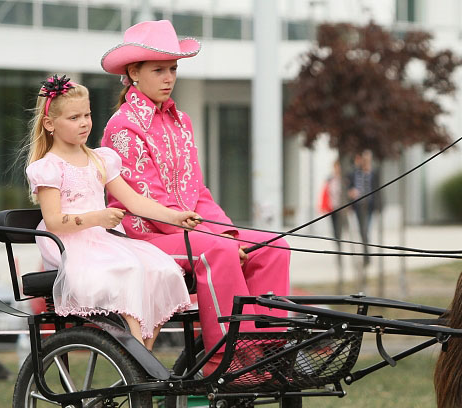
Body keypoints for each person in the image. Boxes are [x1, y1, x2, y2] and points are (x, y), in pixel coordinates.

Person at [100, 20, 291, 374]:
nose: (169, 77)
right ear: (133, 73)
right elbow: (147, 204)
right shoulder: (122, 126)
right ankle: (229, 359)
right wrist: (219, 241)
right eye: (159, 70)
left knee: (273, 246)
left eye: (173, 69)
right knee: (218, 252)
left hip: (191, 231)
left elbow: (197, 192)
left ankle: (270, 351)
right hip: (147, 236)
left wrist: (227, 232)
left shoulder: (180, 122)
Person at [25, 75, 200, 349]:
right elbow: (54, 221)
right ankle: (135, 352)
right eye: (73, 118)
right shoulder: (48, 167)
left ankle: (143, 353)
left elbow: (134, 201)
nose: (84, 122)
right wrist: (98, 218)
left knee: (163, 269)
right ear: (50, 124)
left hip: (104, 240)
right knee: (129, 269)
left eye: (87, 114)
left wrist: (175, 216)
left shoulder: (100, 159)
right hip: (70, 243)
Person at [346, 150, 380, 266]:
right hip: (359, 206)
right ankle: (366, 254)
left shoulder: (374, 172)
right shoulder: (355, 173)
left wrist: (379, 206)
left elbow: (378, 190)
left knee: (365, 230)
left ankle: (367, 255)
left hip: (370, 206)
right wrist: (351, 193)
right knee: (363, 231)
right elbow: (350, 188)